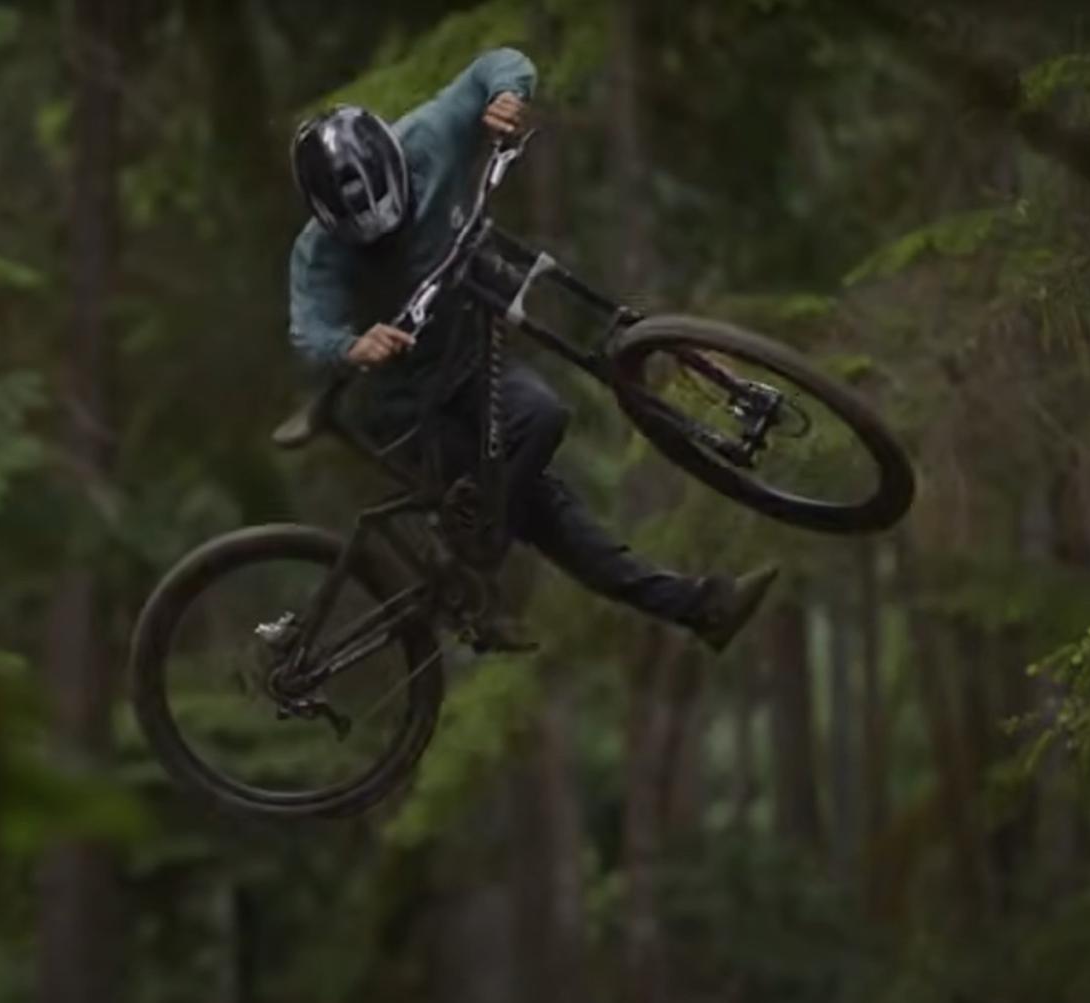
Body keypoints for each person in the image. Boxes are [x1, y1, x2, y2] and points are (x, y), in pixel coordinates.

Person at [286, 48, 777, 652]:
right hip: (406, 407)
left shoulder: (429, 134)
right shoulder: (318, 253)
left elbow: (499, 62)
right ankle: (484, 549)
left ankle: (692, 602)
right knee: (547, 476)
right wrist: (352, 344)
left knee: (545, 458)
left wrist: (506, 96)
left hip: (467, 357)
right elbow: (310, 327)